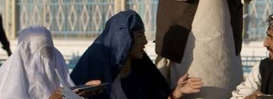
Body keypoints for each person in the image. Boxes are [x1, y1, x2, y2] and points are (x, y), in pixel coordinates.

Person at [71, 10, 203, 99]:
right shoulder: (93, 73)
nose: (145, 42)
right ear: (122, 39)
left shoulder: (142, 73)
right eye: (139, 36)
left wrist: (177, 92)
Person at [0, 26, 74, 99]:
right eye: (38, 54)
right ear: (25, 53)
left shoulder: (56, 63)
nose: (45, 60)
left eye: (48, 52)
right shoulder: (10, 81)